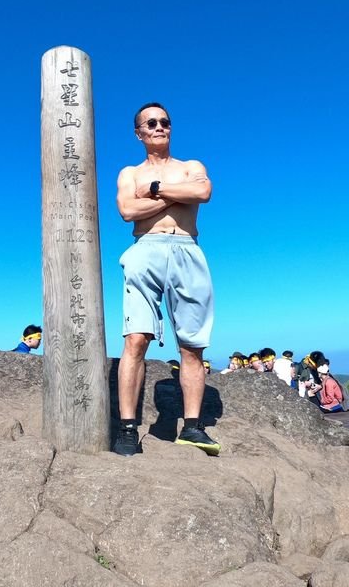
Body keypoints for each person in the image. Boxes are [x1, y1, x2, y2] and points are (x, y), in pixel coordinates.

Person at [113, 102, 219, 457]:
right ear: (139, 132)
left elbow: (202, 193)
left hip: (188, 248)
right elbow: (128, 211)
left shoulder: (192, 167)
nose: (159, 127)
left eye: (165, 122)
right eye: (151, 123)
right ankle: (128, 429)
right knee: (136, 339)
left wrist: (155, 189)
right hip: (145, 249)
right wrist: (175, 194)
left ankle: (192, 427)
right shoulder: (129, 173)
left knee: (192, 346)